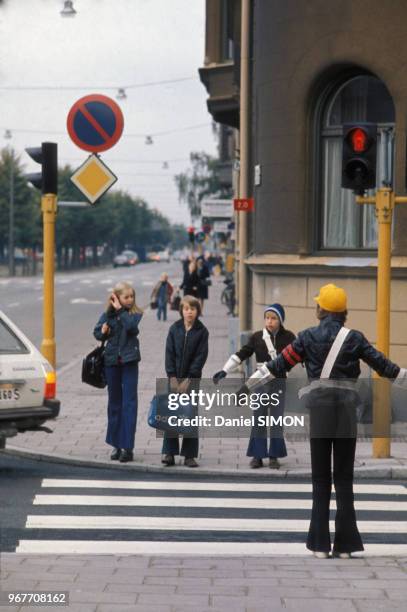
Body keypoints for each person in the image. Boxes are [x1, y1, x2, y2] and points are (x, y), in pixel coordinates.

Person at [241, 284, 405, 558]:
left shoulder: (306, 337)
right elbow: (385, 367)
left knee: (320, 479)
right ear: (343, 312)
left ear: (321, 310)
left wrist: (246, 387)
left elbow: (278, 365)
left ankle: (319, 544)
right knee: (343, 479)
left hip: (320, 413)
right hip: (345, 415)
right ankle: (346, 546)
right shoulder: (355, 338)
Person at [213, 304, 295, 469]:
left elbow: (299, 353)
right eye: (267, 318)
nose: (269, 321)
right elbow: (242, 354)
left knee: (276, 420)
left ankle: (274, 456)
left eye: (273, 318)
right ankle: (257, 455)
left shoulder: (289, 337)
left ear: (280, 320)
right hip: (260, 383)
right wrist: (225, 370)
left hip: (279, 383)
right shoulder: (257, 337)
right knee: (259, 419)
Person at [94, 281, 143, 463]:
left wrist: (120, 310)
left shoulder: (135, 313)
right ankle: (116, 445)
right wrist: (103, 330)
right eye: (126, 297)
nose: (130, 300)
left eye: (131, 297)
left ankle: (127, 447)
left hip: (130, 363)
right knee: (115, 404)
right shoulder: (108, 315)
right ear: (116, 298)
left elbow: (131, 327)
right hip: (111, 363)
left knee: (129, 404)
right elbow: (97, 333)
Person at [162, 295, 209, 467]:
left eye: (193, 309)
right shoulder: (174, 329)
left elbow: (200, 357)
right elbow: (169, 353)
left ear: (198, 311)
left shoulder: (202, 331)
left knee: (190, 415)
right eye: (186, 309)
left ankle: (189, 454)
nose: (189, 312)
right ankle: (169, 452)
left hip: (192, 380)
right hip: (174, 379)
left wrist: (189, 378)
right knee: (171, 415)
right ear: (181, 310)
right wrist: (172, 376)